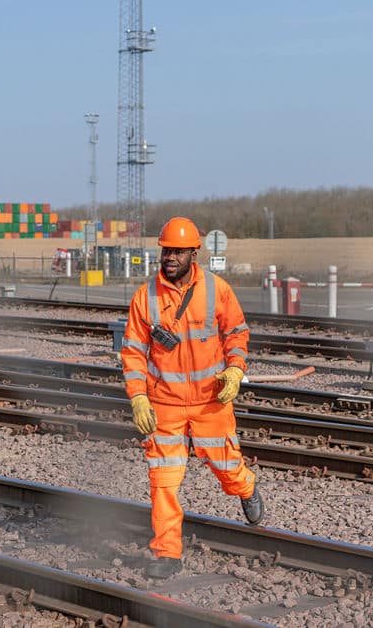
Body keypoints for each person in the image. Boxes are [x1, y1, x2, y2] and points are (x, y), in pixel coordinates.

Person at [121, 216, 265, 579]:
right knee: (164, 480)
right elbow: (134, 354)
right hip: (165, 405)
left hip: (210, 402)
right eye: (166, 250)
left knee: (228, 469)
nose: (170, 257)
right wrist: (138, 397)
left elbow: (236, 334)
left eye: (177, 251)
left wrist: (235, 369)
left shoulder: (218, 291)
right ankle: (167, 553)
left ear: (193, 254)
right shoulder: (145, 298)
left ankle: (246, 489)